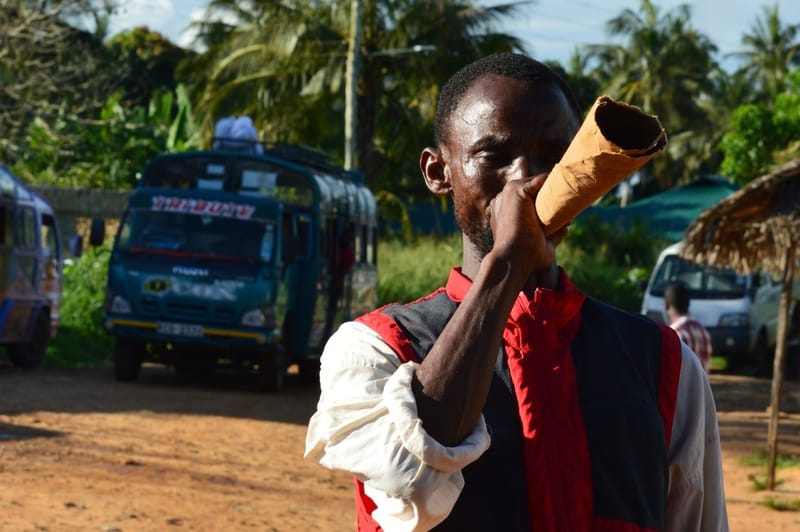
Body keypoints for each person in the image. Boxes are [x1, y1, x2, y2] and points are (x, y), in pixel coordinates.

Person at [305, 52, 728, 531]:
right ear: (437, 171)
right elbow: (410, 484)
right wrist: (507, 264)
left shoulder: (665, 362)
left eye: (553, 155)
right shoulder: (374, 348)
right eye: (495, 155)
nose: (526, 176)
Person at [665, 282, 713, 373]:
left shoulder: (673, 334)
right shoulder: (703, 331)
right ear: (688, 304)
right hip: (701, 386)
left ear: (666, 305)